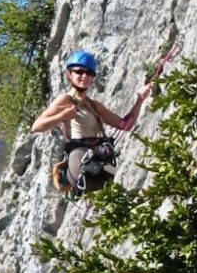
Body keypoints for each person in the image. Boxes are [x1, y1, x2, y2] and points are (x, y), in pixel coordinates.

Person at [31, 49, 154, 191]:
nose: (84, 76)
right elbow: (36, 126)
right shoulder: (65, 99)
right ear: (69, 74)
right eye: (79, 71)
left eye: (89, 73)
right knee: (97, 181)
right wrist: (62, 116)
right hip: (80, 158)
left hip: (98, 158)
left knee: (121, 185)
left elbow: (125, 125)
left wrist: (140, 100)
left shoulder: (95, 105)